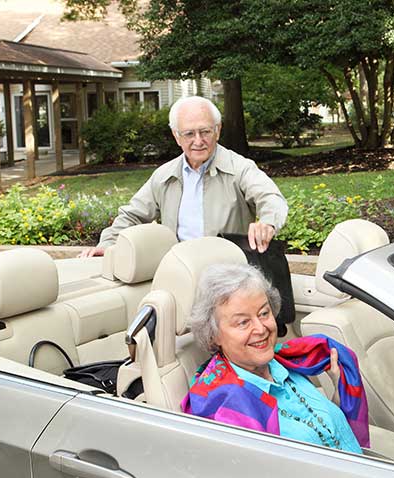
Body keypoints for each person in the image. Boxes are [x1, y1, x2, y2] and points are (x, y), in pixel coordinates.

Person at [182, 264, 370, 453]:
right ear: (214, 335)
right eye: (243, 322)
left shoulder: (285, 366)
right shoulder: (224, 407)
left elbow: (322, 432)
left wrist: (338, 392)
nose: (261, 328)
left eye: (264, 313)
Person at [80, 96, 287, 257]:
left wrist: (267, 223)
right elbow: (132, 215)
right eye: (189, 134)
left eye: (205, 131)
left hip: (229, 273)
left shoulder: (239, 168)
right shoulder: (164, 175)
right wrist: (107, 245)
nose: (198, 141)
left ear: (218, 130)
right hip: (180, 270)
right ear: (176, 136)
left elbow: (271, 198)